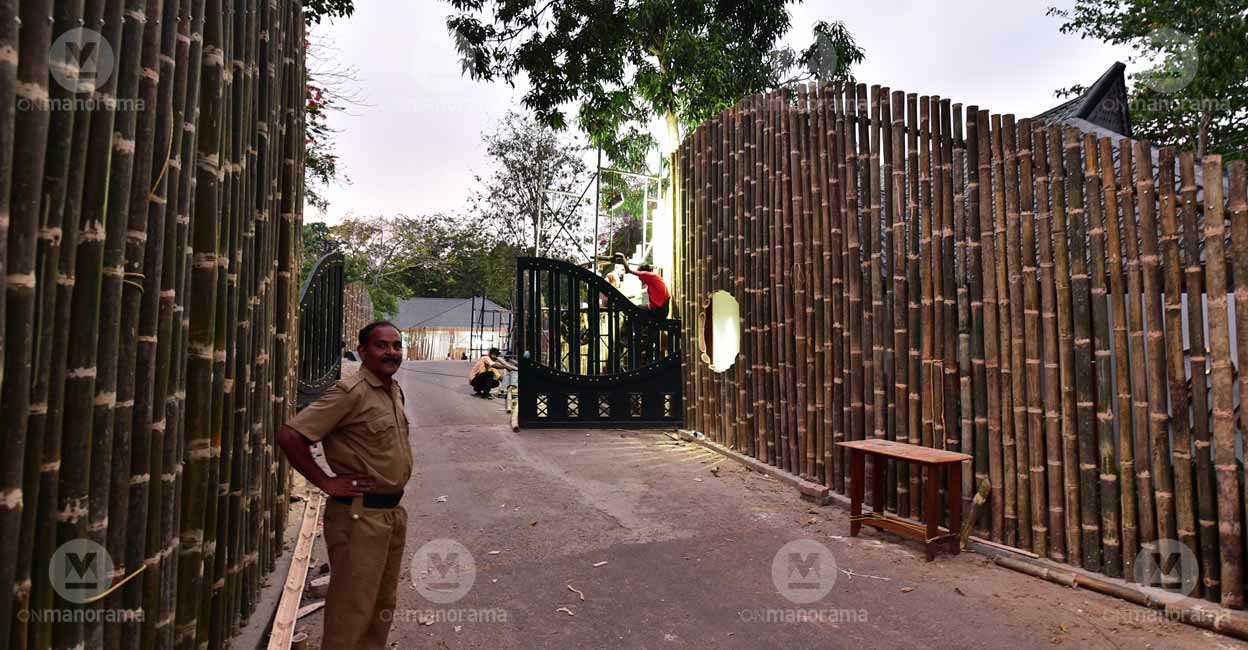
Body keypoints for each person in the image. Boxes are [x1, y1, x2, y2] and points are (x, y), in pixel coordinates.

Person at [276, 321, 412, 650]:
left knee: (381, 605)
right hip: (359, 517)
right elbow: (290, 435)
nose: (391, 352)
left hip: (390, 516)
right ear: (363, 351)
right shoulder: (349, 392)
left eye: (396, 345)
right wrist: (325, 481)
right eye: (382, 345)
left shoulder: (392, 389)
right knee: (351, 610)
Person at [614, 253, 671, 318]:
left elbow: (628, 270)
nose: (640, 279)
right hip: (660, 309)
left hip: (659, 311)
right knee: (637, 308)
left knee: (633, 311)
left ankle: (634, 327)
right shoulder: (655, 279)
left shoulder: (650, 276)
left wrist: (622, 258)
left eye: (640, 276)